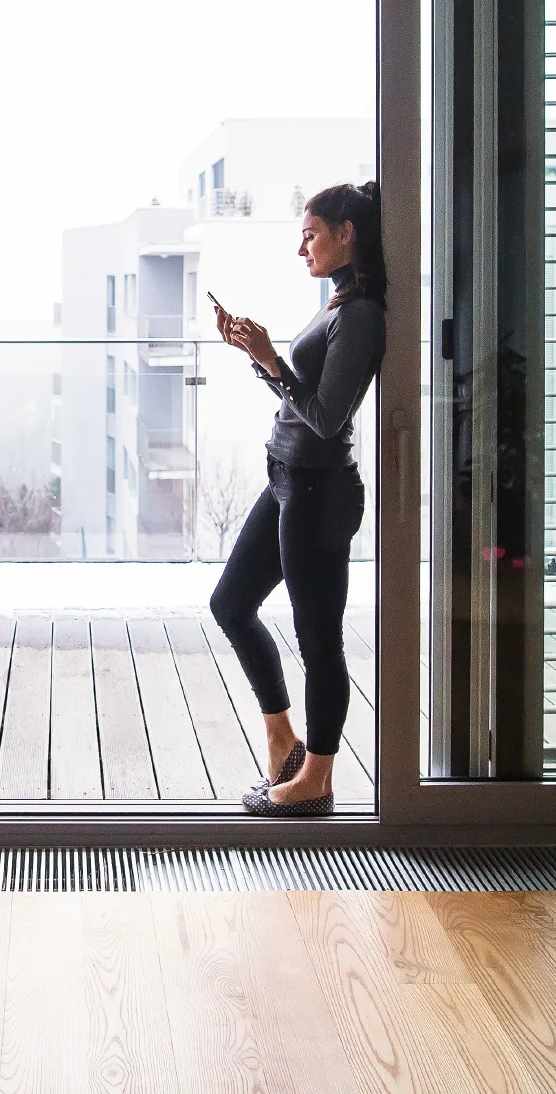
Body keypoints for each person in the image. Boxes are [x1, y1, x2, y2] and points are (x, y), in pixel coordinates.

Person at [208, 181, 386, 817]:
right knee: (230, 603)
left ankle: (317, 778)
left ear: (345, 234)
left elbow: (327, 417)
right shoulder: (337, 303)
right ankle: (283, 741)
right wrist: (258, 357)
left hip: (317, 490)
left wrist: (268, 357)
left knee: (319, 642)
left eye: (310, 233)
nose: (300, 246)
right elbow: (304, 400)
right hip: (287, 479)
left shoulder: (360, 313)